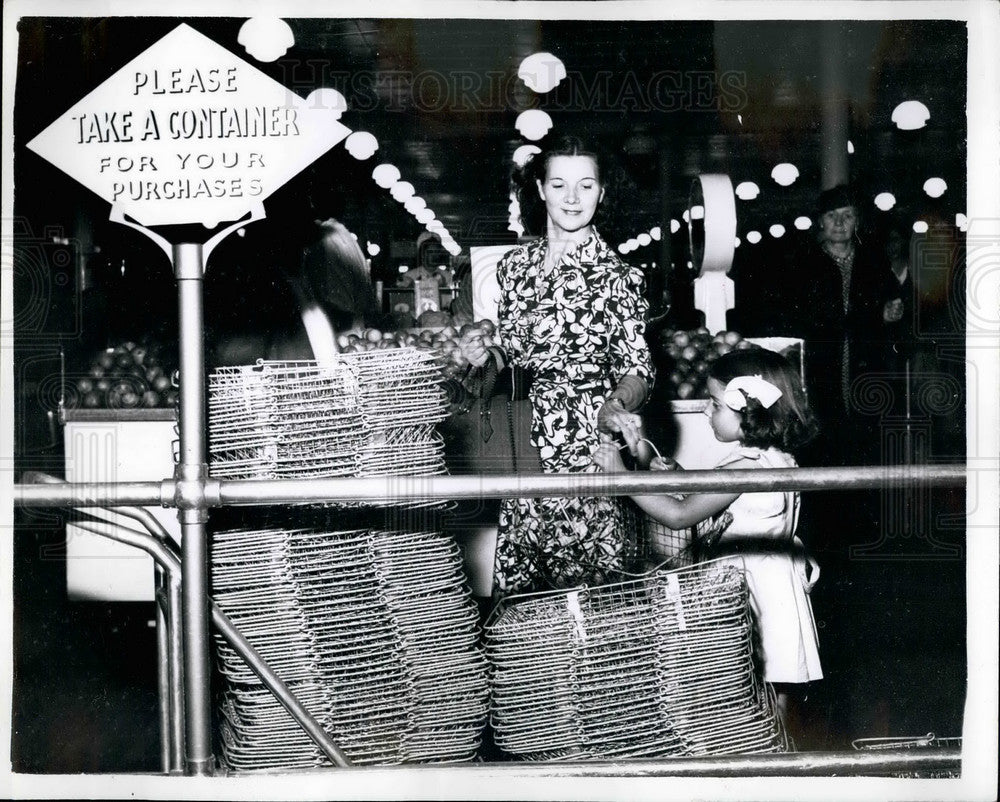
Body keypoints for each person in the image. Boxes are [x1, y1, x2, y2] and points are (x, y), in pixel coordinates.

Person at [461, 133, 654, 598]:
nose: (572, 198)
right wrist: (486, 352)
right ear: (541, 189)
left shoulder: (618, 277)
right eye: (560, 184)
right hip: (521, 440)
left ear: (602, 193)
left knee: (587, 591)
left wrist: (614, 406)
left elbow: (639, 369)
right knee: (526, 598)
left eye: (586, 186)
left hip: (584, 444)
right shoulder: (515, 268)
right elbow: (514, 351)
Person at [592, 347, 822, 732]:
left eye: (714, 404)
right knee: (770, 696)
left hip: (750, 594)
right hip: (773, 585)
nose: (705, 411)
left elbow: (681, 514)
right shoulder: (771, 458)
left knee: (755, 698)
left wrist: (619, 477)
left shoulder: (745, 468)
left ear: (748, 410)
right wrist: (641, 451)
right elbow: (697, 491)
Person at [782, 184, 899, 465]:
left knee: (866, 438)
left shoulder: (874, 260)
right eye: (832, 215)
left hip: (866, 364)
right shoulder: (803, 262)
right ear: (821, 221)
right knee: (823, 436)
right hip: (819, 363)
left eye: (847, 216)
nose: (839, 223)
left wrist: (893, 310)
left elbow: (893, 300)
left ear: (857, 221)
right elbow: (799, 317)